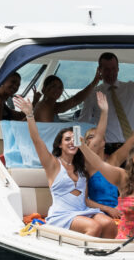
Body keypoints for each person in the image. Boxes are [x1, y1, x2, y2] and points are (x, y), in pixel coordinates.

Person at [12, 96, 117, 238]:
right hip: (62, 215)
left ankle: (103, 257)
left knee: (109, 224)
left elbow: (98, 139)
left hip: (83, 210)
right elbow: (37, 141)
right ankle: (83, 258)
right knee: (94, 226)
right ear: (60, 144)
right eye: (67, 139)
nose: (72, 142)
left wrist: (104, 111)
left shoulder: (82, 166)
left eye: (75, 139)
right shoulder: (53, 164)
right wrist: (30, 115)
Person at [82, 92, 134, 221]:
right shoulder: (88, 164)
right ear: (86, 144)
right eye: (90, 137)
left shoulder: (113, 160)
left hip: (119, 210)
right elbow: (85, 200)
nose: (95, 139)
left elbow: (133, 138)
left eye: (97, 136)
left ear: (104, 141)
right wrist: (104, 112)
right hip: (98, 212)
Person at [77, 52, 134, 151]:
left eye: (113, 69)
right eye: (106, 70)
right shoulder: (93, 94)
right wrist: (77, 145)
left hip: (130, 146)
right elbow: (82, 122)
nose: (111, 73)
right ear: (100, 70)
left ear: (118, 68)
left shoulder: (131, 88)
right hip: (105, 148)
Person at [32, 74, 99, 123]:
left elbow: (76, 99)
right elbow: (48, 134)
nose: (57, 90)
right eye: (53, 86)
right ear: (44, 89)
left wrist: (94, 82)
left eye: (60, 87)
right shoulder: (43, 109)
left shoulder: (52, 106)